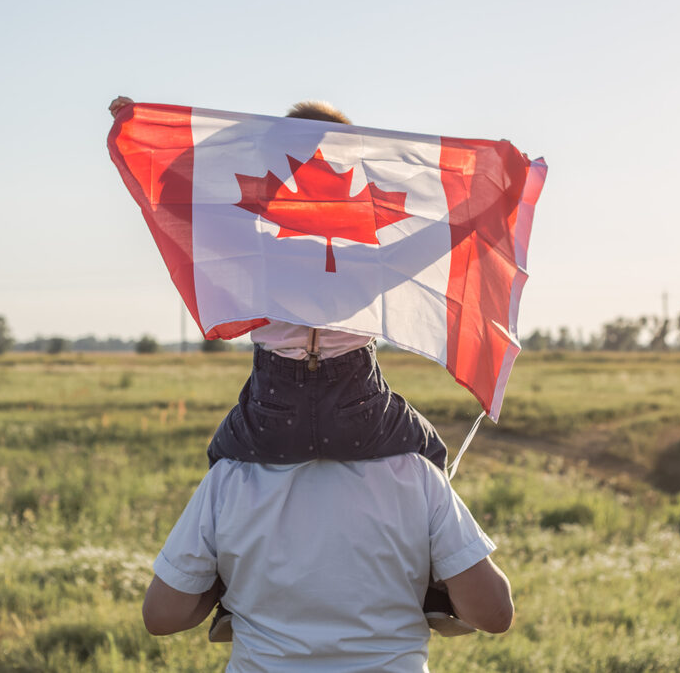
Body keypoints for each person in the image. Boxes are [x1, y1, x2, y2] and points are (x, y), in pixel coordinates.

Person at [109, 95, 460, 636]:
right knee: (429, 451)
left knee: (222, 457)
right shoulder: (369, 248)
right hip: (361, 410)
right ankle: (439, 591)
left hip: (274, 412)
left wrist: (138, 128)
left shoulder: (255, 245)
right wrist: (496, 195)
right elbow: (438, 238)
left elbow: (176, 198)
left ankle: (225, 597)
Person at [142, 453, 513, 672]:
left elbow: (162, 615)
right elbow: (495, 614)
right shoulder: (415, 473)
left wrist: (220, 583)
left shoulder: (229, 477)